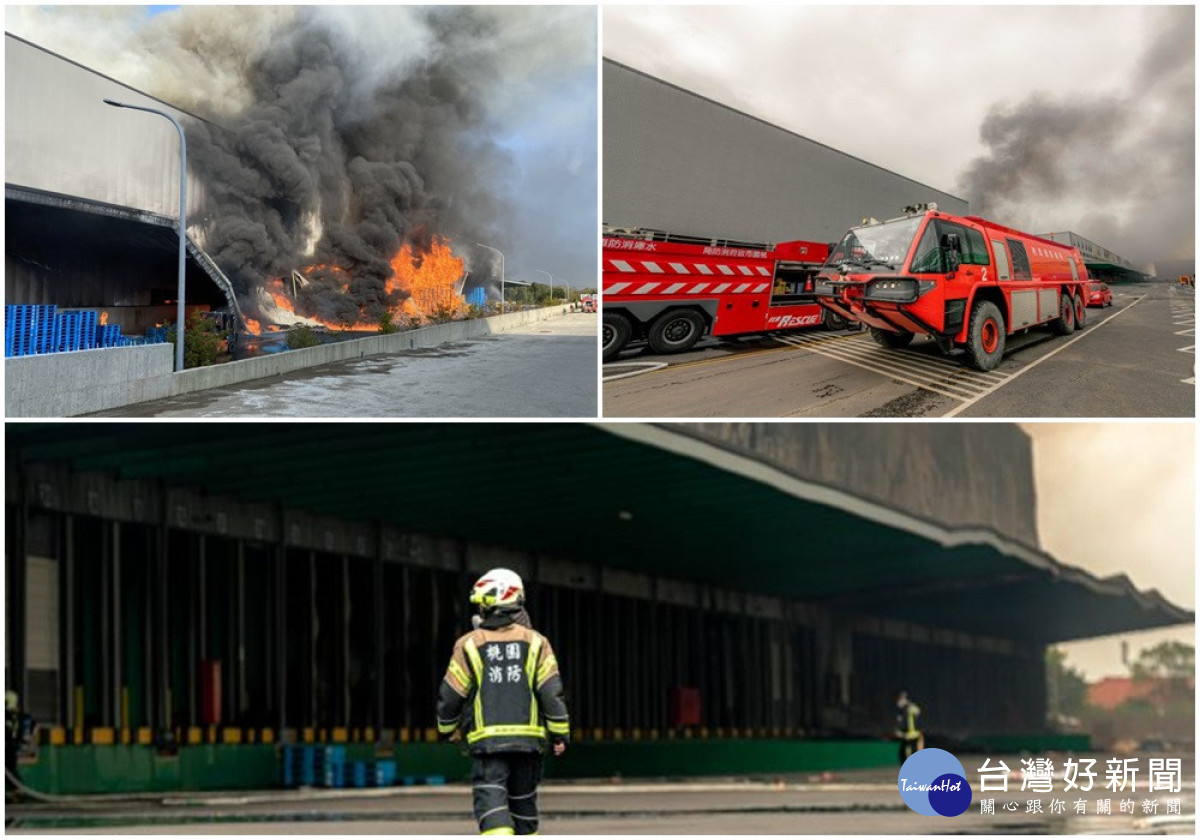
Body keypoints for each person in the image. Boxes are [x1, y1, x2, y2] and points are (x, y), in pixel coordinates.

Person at [437, 569, 569, 836]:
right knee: (524, 805)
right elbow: (551, 692)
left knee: (492, 803)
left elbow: (451, 693)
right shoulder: (537, 642)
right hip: (528, 744)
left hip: (489, 747)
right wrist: (560, 733)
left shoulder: (469, 644)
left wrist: (446, 728)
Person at [894, 690, 924, 763]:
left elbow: (915, 717)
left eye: (900, 699)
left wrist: (901, 732)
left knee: (909, 754)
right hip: (908, 736)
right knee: (904, 754)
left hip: (911, 736)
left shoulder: (910, 708)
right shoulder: (903, 710)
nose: (898, 701)